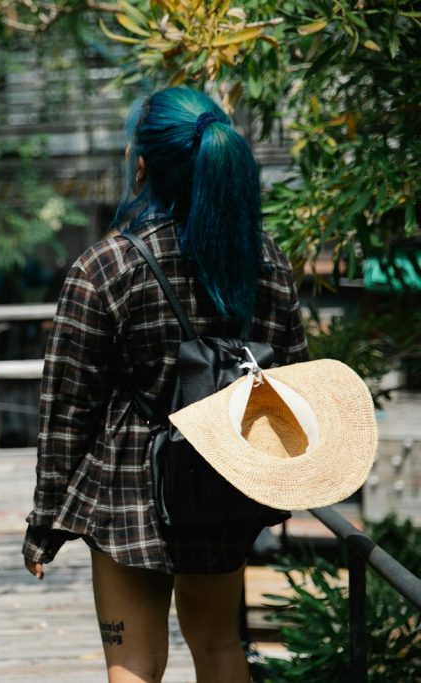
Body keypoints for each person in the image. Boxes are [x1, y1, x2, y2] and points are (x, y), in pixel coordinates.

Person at [22, 87, 309, 683]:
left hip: (130, 490)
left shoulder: (106, 268)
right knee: (221, 649)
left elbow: (65, 413)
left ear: (144, 167)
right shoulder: (266, 261)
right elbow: (295, 382)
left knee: (134, 665)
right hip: (225, 480)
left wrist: (46, 524)